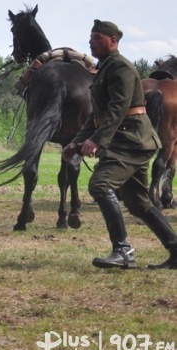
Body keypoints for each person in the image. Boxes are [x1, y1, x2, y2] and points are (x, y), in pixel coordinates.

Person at [63, 20, 177, 270]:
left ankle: (123, 251)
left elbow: (118, 108)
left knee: (100, 185)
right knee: (139, 203)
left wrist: (97, 141)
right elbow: (97, 116)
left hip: (132, 140)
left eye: (97, 37)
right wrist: (76, 142)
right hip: (128, 140)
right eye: (91, 37)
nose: (91, 42)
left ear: (113, 41)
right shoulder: (105, 68)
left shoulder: (121, 67)